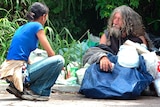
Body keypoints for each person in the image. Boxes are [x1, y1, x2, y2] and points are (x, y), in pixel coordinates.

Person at [82, 5, 156, 96]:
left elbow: (146, 59)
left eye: (119, 19)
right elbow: (97, 50)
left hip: (130, 76)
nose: (114, 22)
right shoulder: (107, 35)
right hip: (111, 72)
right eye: (114, 18)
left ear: (128, 22)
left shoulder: (139, 37)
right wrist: (102, 57)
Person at [0, 2, 65, 101]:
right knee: (59, 60)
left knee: (42, 61)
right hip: (19, 71)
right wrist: (61, 68)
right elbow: (51, 54)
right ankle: (36, 91)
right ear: (44, 16)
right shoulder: (37, 26)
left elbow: (23, 54)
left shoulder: (23, 27)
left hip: (12, 70)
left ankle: (21, 87)